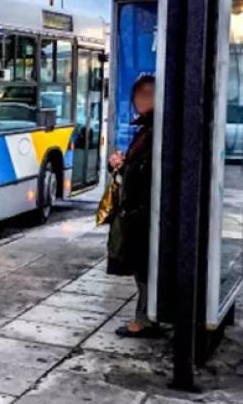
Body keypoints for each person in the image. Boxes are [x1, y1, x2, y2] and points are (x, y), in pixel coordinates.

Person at [107, 74, 160, 337]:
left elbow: (145, 171)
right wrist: (122, 164)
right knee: (141, 266)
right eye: (139, 94)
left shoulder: (157, 130)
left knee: (143, 266)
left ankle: (146, 320)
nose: (142, 99)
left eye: (149, 93)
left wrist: (124, 166)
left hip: (143, 212)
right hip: (140, 210)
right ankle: (147, 316)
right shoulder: (148, 127)